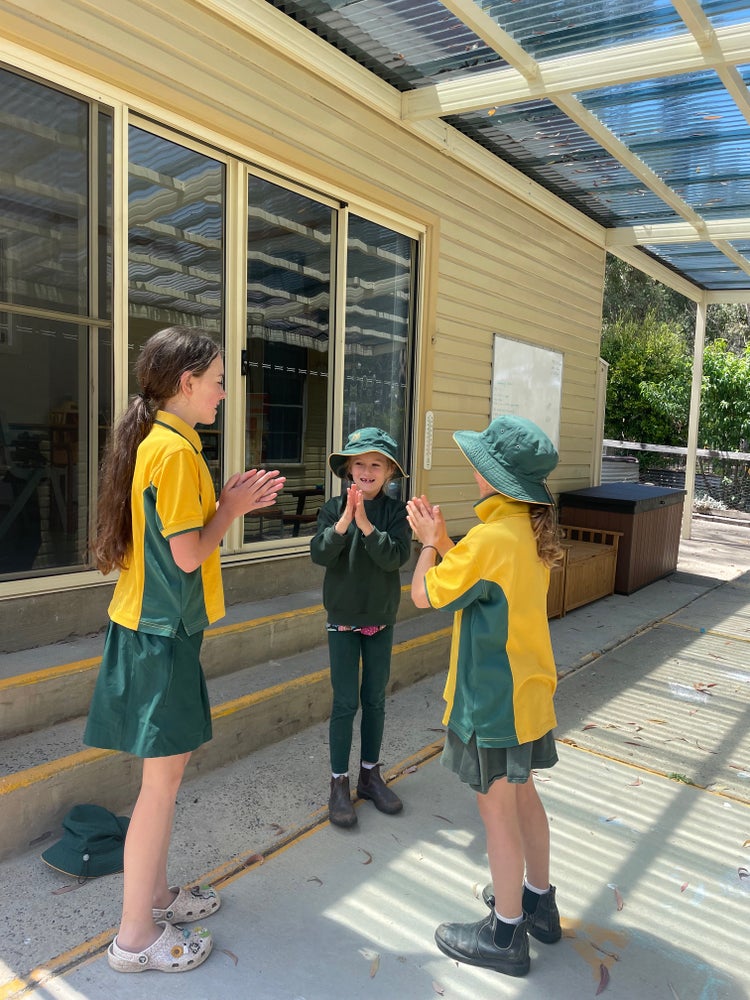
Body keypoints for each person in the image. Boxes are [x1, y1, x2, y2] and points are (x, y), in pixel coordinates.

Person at [84, 326, 285, 974]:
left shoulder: (168, 444)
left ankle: (158, 896)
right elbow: (188, 552)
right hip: (159, 638)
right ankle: (135, 936)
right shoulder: (172, 453)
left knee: (161, 783)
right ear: (187, 382)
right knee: (160, 786)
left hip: (161, 634)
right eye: (220, 380)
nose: (226, 392)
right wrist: (231, 508)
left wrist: (225, 501)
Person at [406, 415, 563, 978]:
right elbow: (481, 581)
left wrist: (427, 545)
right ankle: (539, 904)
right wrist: (447, 541)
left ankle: (505, 934)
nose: (473, 470)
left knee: (494, 810)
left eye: (480, 465)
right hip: (528, 693)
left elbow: (424, 594)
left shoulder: (489, 540)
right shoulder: (524, 533)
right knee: (523, 799)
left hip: (491, 700)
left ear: (495, 478)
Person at [310, 427, 411, 828]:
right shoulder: (333, 508)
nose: (367, 471)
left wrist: (367, 524)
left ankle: (370, 775)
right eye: (359, 464)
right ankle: (339, 783)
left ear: (388, 472)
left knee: (375, 699)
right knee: (345, 702)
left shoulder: (395, 512)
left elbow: (395, 558)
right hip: (343, 619)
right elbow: (319, 553)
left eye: (376, 464)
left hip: (380, 617)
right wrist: (345, 522)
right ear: (348, 469)